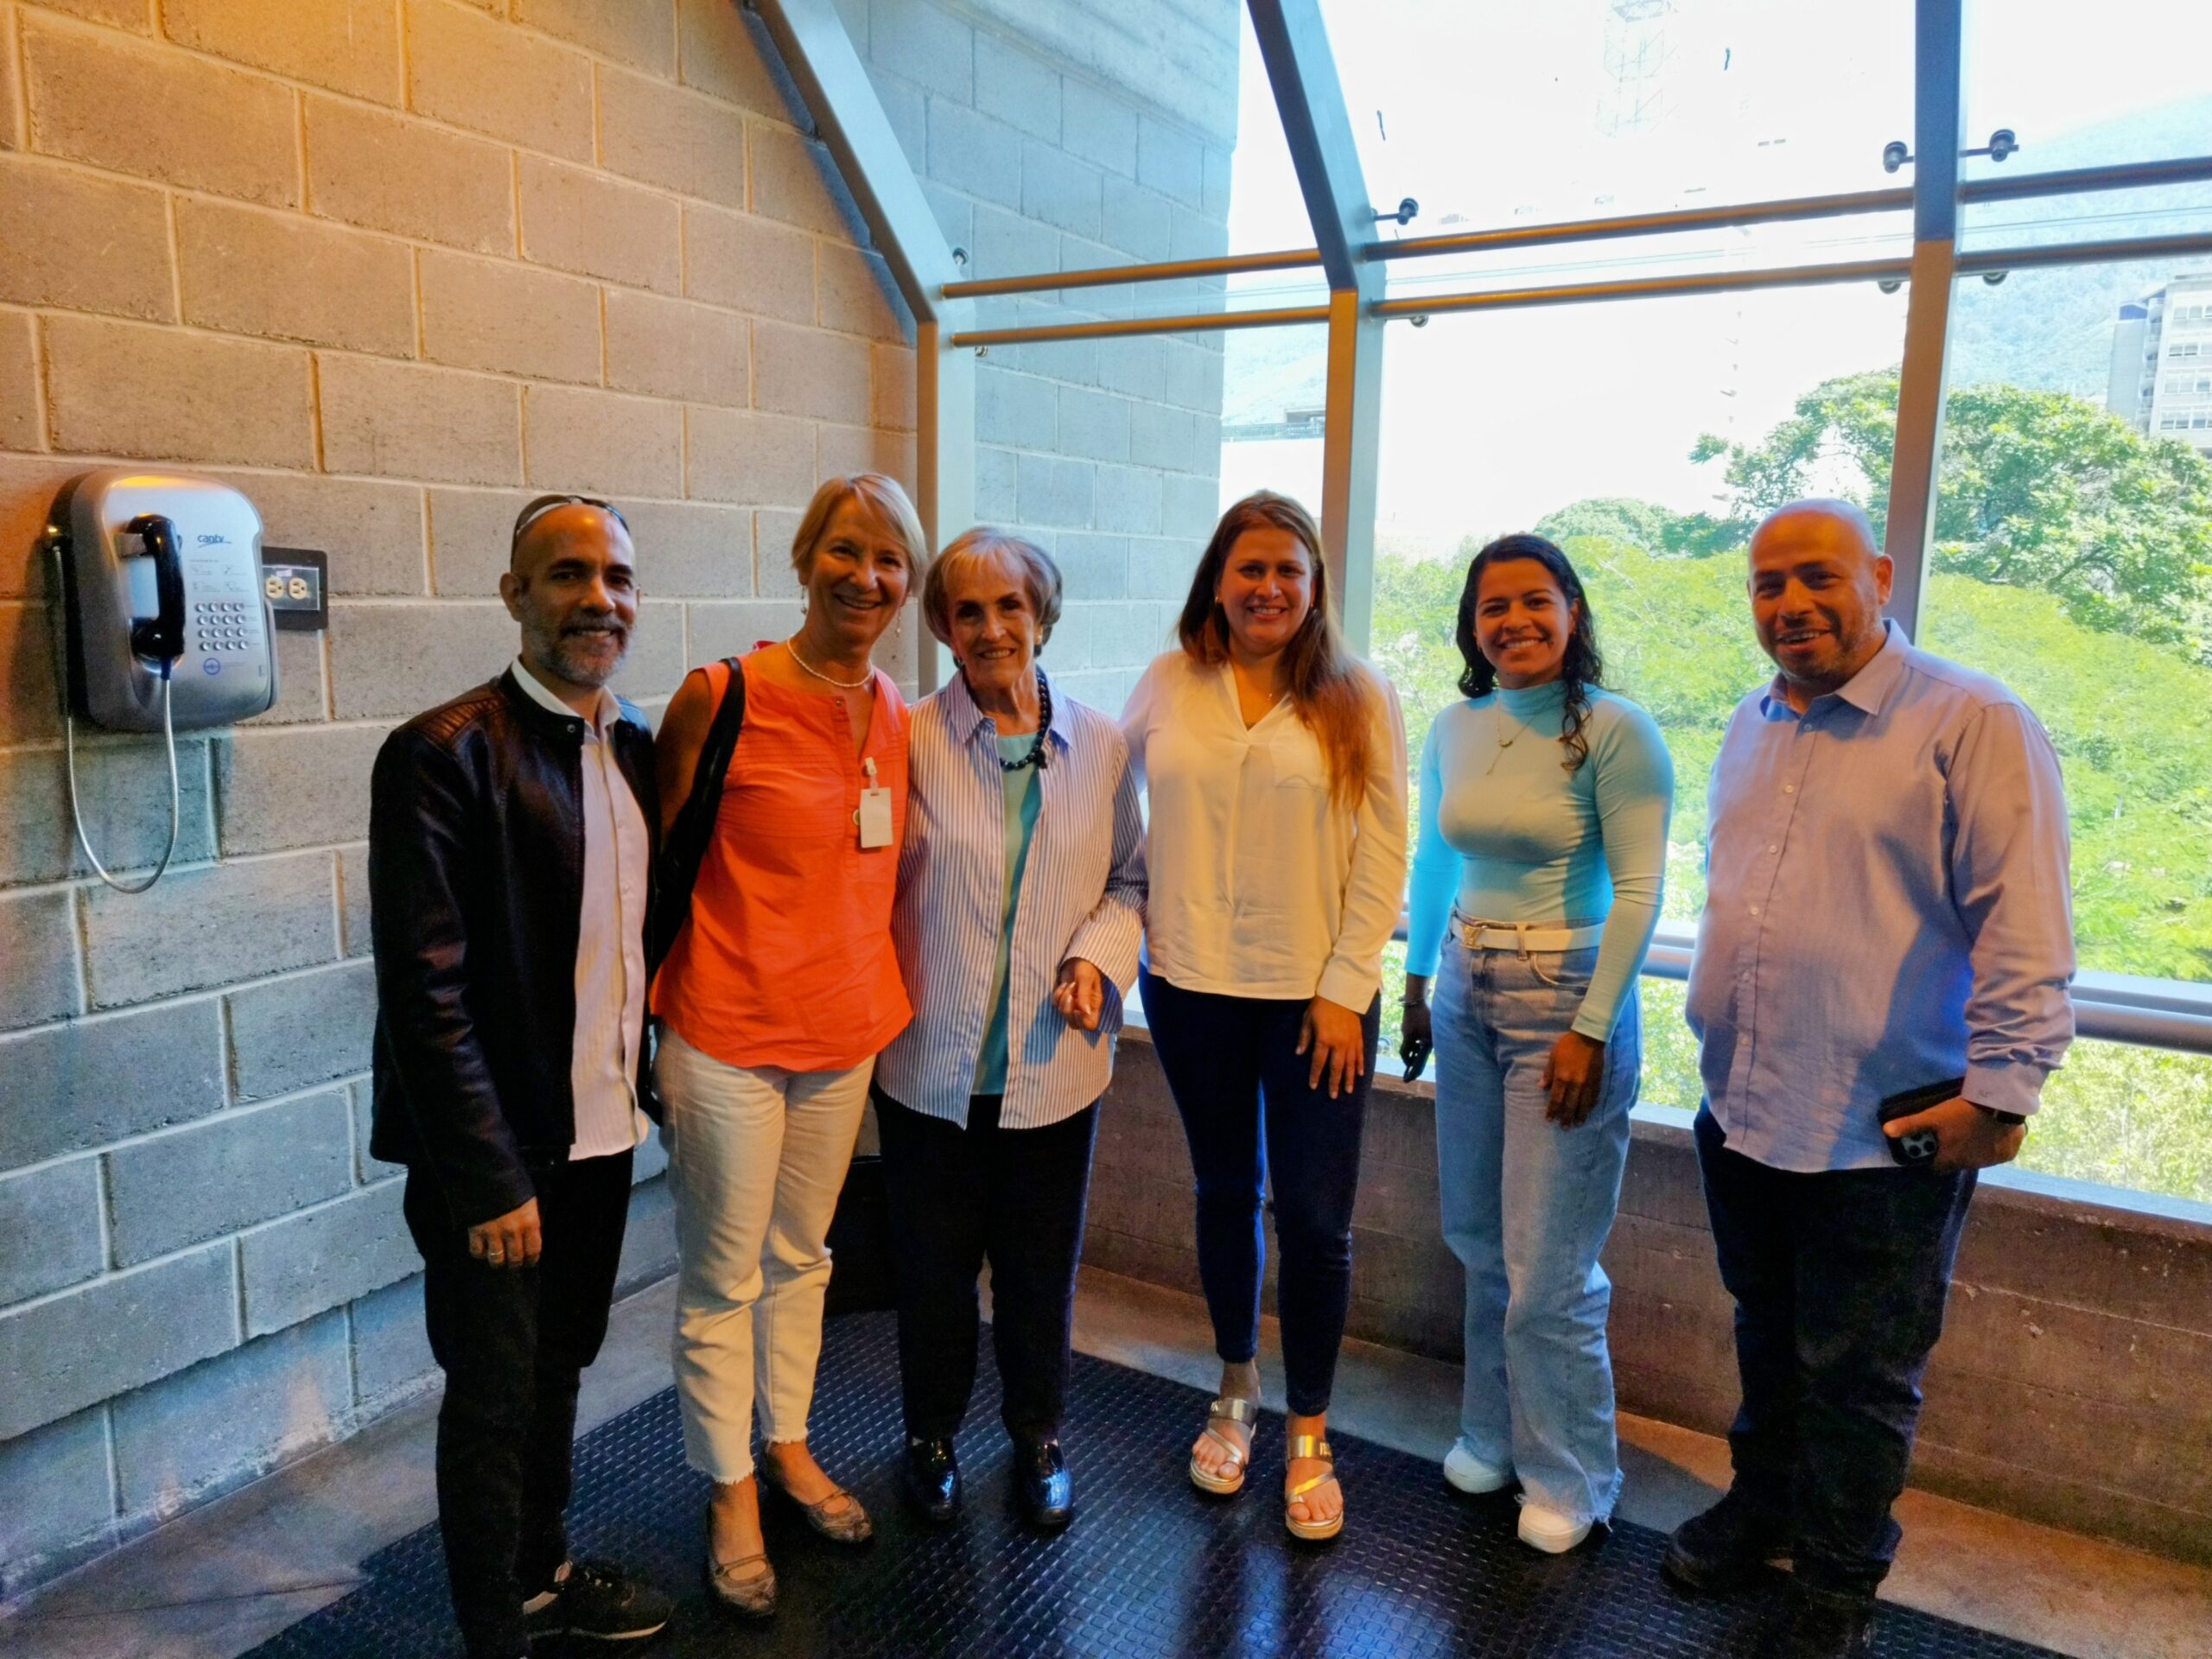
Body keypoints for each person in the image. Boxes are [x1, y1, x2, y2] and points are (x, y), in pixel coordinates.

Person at [1670, 499, 2074, 1658]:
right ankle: (1765, 1509)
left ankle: (1837, 1584)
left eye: (1818, 576)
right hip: (1745, 1106)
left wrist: (1998, 1097)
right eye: (1768, 584)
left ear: (1880, 578)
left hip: (1885, 1128)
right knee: (1767, 1335)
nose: (1790, 603)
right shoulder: (1752, 721)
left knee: (1861, 1375)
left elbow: (2026, 928)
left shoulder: (1973, 721)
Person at [368, 494, 673, 1659]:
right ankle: (492, 1633)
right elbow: (424, 994)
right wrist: (488, 1176)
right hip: (497, 1159)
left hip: (600, 1136)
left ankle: (540, 1575)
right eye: (567, 575)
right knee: (494, 1400)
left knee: (560, 1372)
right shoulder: (444, 753)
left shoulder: (634, 747)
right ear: (515, 595)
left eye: (617, 578)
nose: (599, 599)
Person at [652, 473, 925, 1618]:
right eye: (845, 551)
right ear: (805, 559)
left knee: (803, 1257)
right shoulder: (721, 697)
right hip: (725, 1028)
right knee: (723, 1273)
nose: (866, 577)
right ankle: (729, 1492)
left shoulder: (898, 713)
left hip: (844, 1031)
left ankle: (790, 1444)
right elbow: (656, 863)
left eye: (889, 560)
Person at [1122, 490, 1408, 1543]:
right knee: (1223, 1191)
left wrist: (1345, 987)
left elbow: (1385, 849)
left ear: (1315, 584)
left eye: (1289, 569)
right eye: (1250, 568)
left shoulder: (1356, 694)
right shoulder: (1169, 682)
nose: (1269, 587)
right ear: (1217, 581)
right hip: (1190, 983)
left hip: (1315, 1000)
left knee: (1318, 1222)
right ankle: (1236, 1388)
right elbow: (1100, 795)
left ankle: (1310, 1429)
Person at [1400, 533, 1673, 1554]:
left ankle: (1571, 1476)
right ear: (1470, 625)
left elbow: (1641, 892)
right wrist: (1415, 982)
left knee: (1548, 1265)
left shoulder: (1615, 730)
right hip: (1463, 987)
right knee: (1477, 1239)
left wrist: (1589, 1029)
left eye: (1533, 600)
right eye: (1491, 606)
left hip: (1566, 999)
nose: (1512, 621)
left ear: (1571, 610)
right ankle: (1491, 1436)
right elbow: (1434, 862)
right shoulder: (1455, 726)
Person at [874, 529, 1146, 1533]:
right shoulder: (905, 739)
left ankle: (1038, 1436)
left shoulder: (1102, 746)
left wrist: (1095, 959)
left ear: (1043, 616)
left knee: (1038, 1273)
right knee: (932, 1275)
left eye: (1010, 607)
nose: (991, 628)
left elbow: (1130, 884)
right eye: (969, 611)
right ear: (944, 628)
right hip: (927, 1069)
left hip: (1053, 1069)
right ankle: (929, 1436)